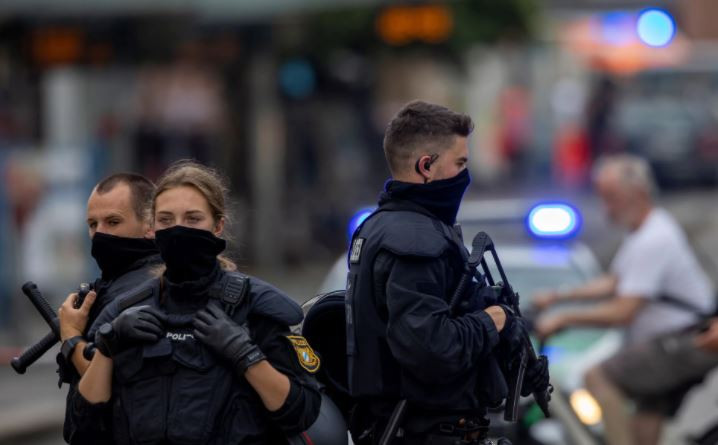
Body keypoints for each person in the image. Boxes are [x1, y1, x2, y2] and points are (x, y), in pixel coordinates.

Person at [73, 161, 322, 444]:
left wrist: (246, 355)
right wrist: (107, 347)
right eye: (166, 220)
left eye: (193, 219)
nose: (178, 230)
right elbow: (83, 429)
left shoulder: (257, 306)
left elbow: (302, 412)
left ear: (218, 225)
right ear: (152, 227)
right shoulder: (123, 310)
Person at [345, 101, 550, 445]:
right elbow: (431, 348)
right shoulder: (413, 239)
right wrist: (494, 320)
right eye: (460, 164)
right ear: (426, 166)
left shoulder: (378, 227)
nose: (464, 176)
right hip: (426, 431)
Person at [534, 154, 718, 445]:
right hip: (669, 340)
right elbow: (614, 282)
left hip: (686, 339)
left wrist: (564, 318)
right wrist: (559, 297)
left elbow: (624, 311)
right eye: (603, 197)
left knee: (599, 377)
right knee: (648, 407)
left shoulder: (654, 239)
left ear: (639, 194)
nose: (607, 207)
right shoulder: (646, 230)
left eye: (613, 197)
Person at [56, 173, 161, 444]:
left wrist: (70, 338)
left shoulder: (148, 289)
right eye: (92, 224)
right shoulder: (113, 284)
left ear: (150, 224)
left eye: (113, 222)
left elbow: (108, 380)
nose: (100, 234)